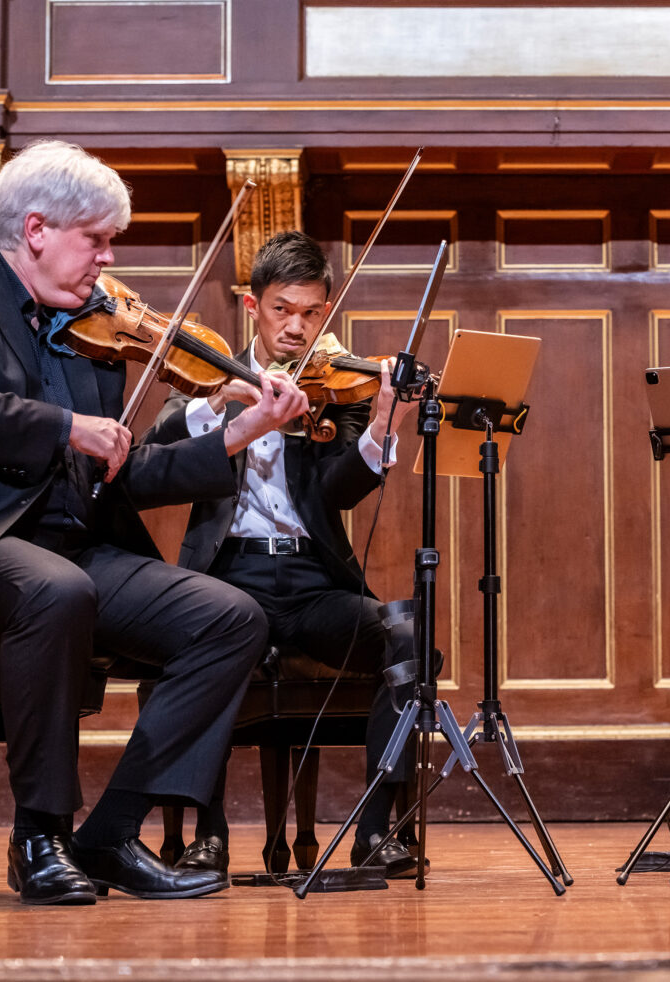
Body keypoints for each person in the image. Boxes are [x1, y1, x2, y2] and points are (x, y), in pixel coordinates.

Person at [0, 141, 311, 904]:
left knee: (227, 618)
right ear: (37, 229)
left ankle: (108, 834)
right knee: (54, 591)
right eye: (98, 239)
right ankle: (39, 836)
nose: (109, 260)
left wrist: (235, 436)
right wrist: (63, 426)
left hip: (64, 541)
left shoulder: (91, 326)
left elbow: (122, 472)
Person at [141, 230, 425, 878]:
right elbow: (157, 451)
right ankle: (208, 837)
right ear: (252, 306)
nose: (296, 328)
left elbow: (338, 493)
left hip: (311, 578)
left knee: (411, 638)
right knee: (202, 641)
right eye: (282, 310)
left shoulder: (332, 385)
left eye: (311, 313)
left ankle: (376, 832)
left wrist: (382, 426)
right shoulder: (212, 372)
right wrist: (224, 407)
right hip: (228, 572)